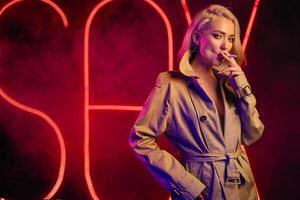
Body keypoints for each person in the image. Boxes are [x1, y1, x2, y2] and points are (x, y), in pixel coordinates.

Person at [129, 4, 264, 200]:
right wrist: (185, 184)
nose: (226, 45)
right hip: (205, 189)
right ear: (197, 37)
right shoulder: (171, 84)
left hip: (243, 188)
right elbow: (140, 139)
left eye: (231, 39)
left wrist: (242, 88)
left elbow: (253, 134)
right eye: (218, 36)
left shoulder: (229, 85)